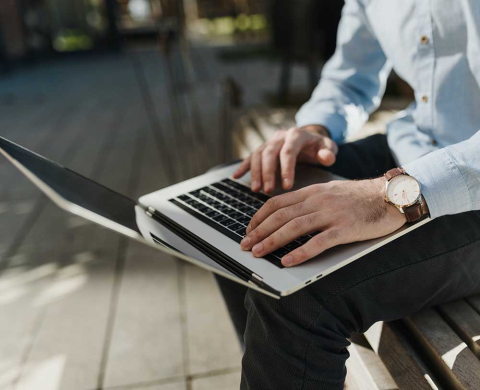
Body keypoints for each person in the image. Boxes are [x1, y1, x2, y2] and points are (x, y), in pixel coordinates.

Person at [214, 1, 480, 389]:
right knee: (235, 197)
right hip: (414, 146)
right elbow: (351, 76)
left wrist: (386, 197)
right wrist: (316, 128)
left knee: (299, 297)